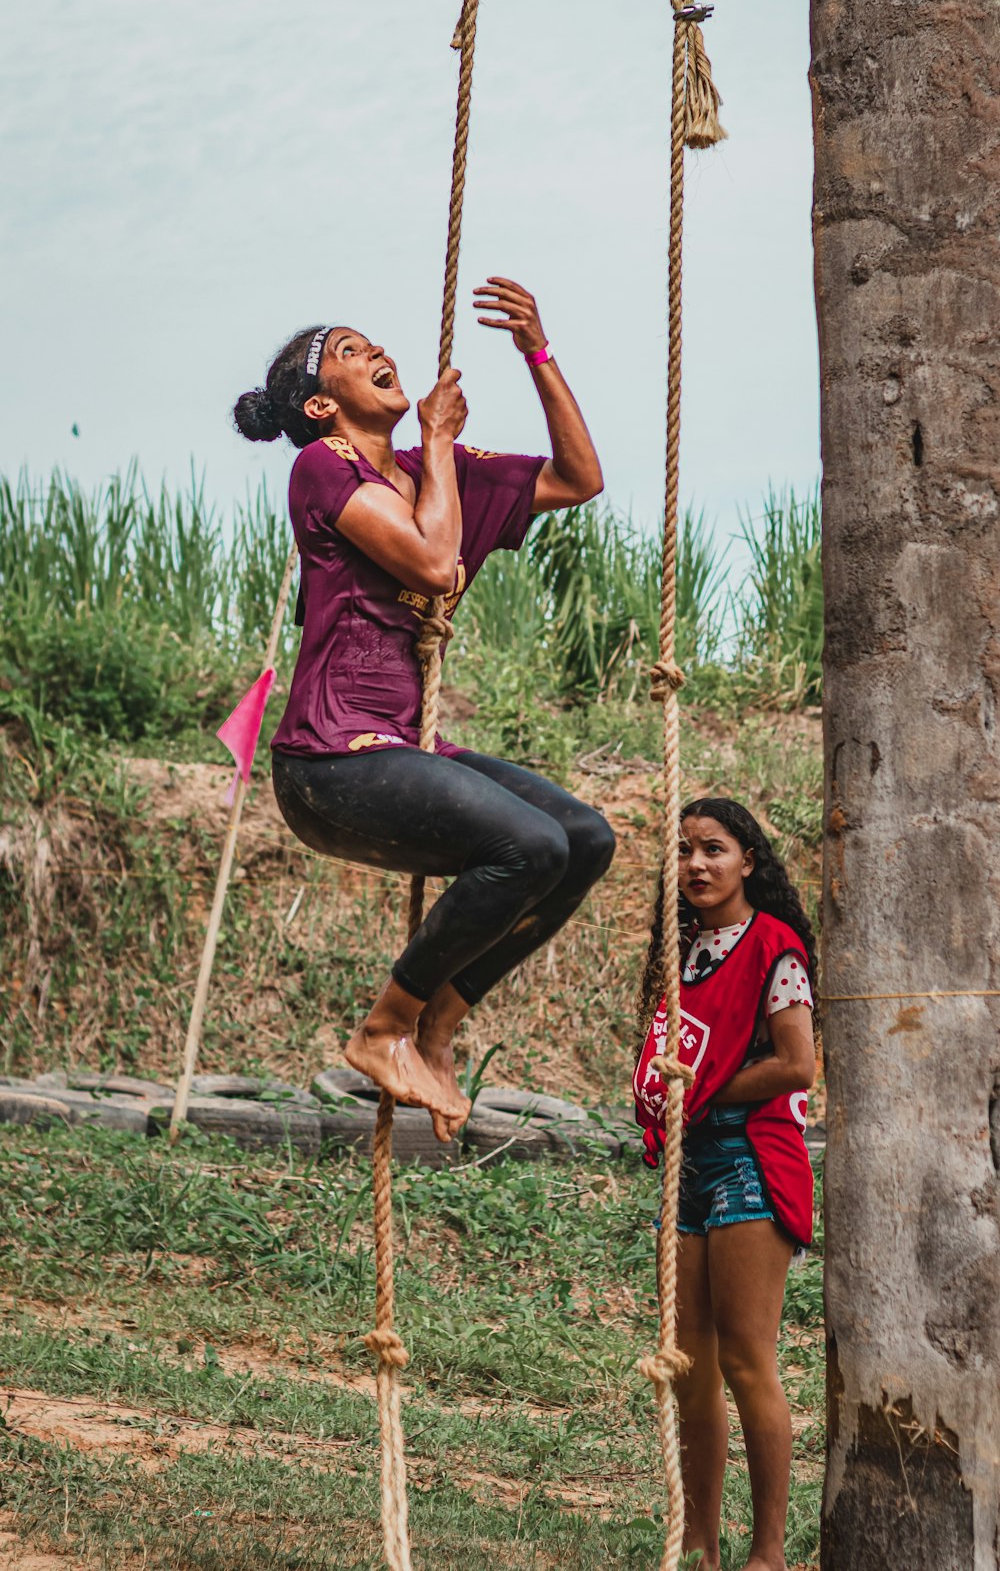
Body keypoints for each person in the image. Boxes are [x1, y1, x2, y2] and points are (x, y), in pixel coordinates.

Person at [234, 277, 615, 1143]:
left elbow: (579, 477)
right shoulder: (322, 467)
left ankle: (436, 1026)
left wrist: (537, 353)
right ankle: (381, 1030)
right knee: (527, 844)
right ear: (324, 404)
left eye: (375, 342)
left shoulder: (436, 472)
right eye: (350, 351)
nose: (377, 353)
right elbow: (434, 563)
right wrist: (439, 440)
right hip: (332, 761)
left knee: (583, 839)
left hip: (404, 749)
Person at [633, 798, 817, 1571]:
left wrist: (704, 1092)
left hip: (749, 1156)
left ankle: (767, 1554)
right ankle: (702, 1545)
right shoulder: (683, 953)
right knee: (691, 1371)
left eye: (714, 849)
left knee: (747, 1361)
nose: (697, 865)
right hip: (688, 1163)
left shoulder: (774, 945)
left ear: (748, 860)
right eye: (683, 852)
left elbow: (796, 1064)